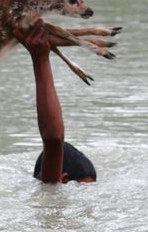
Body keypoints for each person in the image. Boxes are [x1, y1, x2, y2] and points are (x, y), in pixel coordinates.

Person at [14, 19, 97, 184]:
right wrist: (40, 59)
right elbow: (54, 140)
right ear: (63, 179)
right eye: (84, 188)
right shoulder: (51, 187)